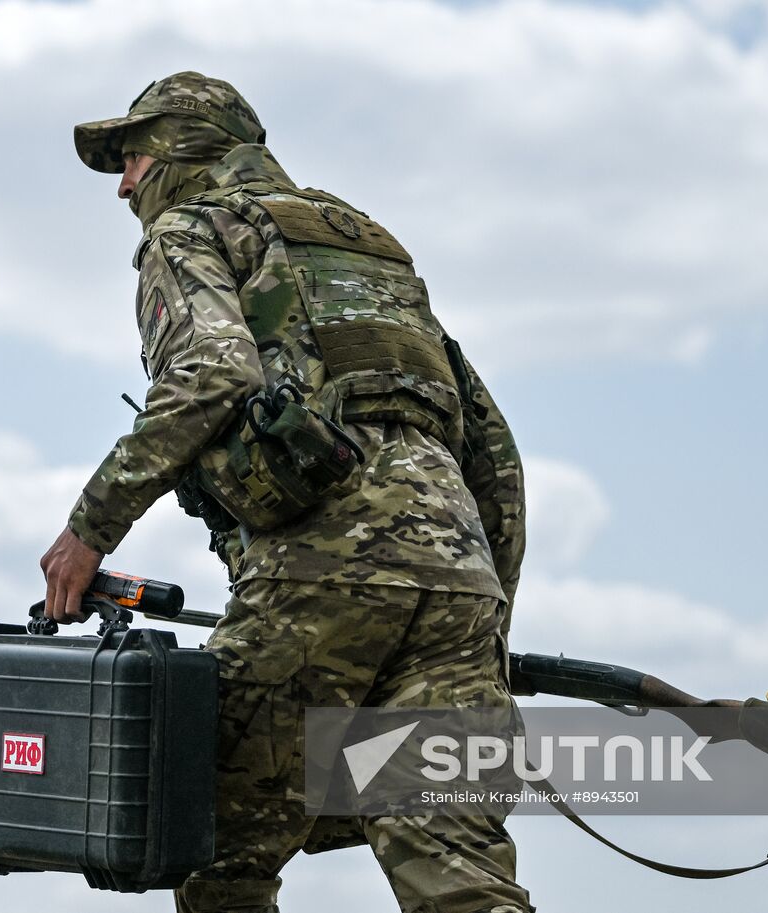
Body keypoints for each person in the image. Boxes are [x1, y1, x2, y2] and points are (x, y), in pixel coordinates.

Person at [40, 71, 531, 913]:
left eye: (134, 157)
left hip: (316, 572)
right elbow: (493, 452)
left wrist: (87, 533)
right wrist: (483, 620)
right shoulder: (364, 244)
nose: (124, 185)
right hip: (461, 583)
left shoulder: (191, 231)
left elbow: (211, 373)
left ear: (187, 152)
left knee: (214, 854)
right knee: (459, 874)